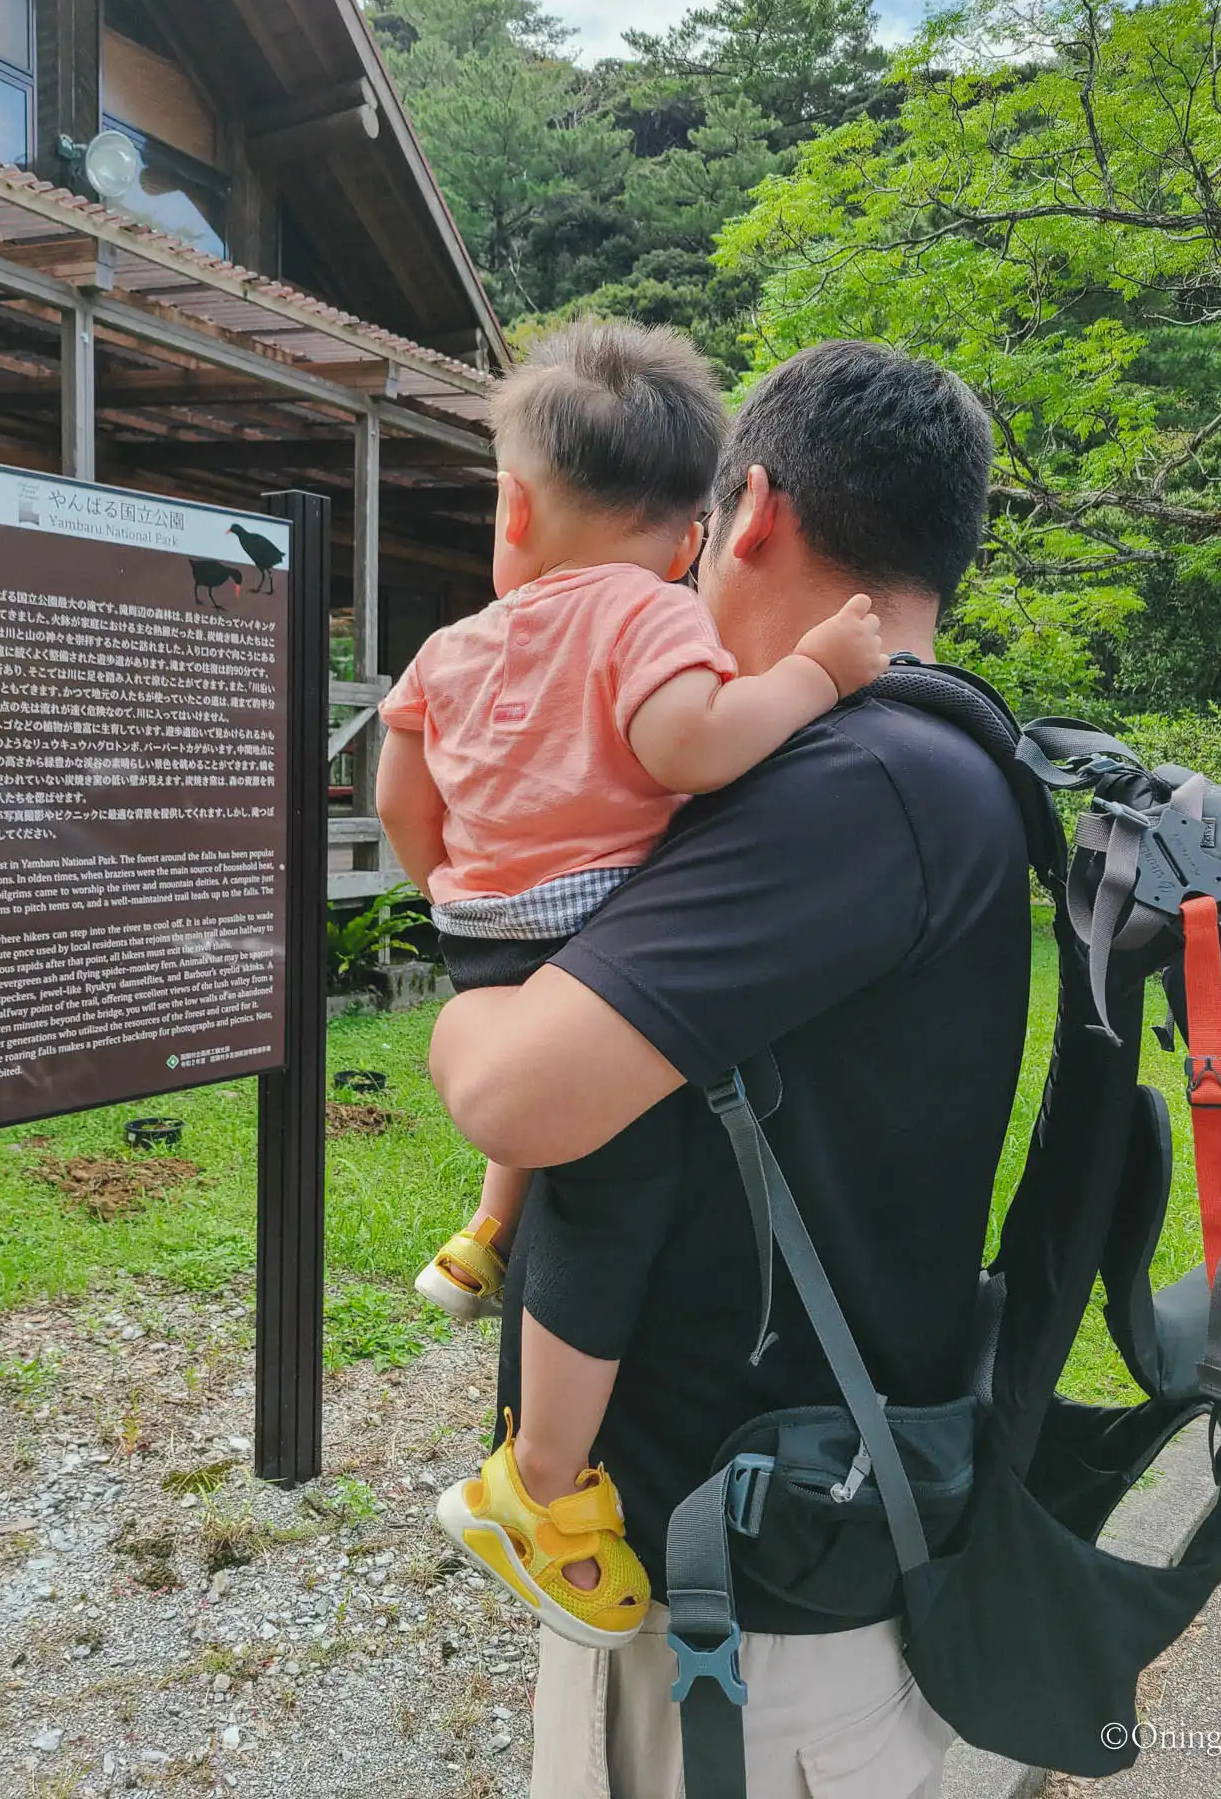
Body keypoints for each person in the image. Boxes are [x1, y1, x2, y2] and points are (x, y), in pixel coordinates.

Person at [427, 339, 1033, 1798]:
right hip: (752, 1544)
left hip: (754, 1623)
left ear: (745, 514)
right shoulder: (904, 766)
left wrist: (463, 1016)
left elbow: (516, 1094)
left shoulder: (854, 787)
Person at [375, 322, 887, 1650]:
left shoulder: (450, 648)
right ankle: (538, 1484)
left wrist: (449, 884)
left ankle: (485, 1232)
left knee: (537, 1107)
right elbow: (695, 746)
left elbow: (398, 792)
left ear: (514, 510)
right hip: (600, 935)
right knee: (615, 1199)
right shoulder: (649, 610)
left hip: (483, 929)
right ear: (689, 538)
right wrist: (814, 677)